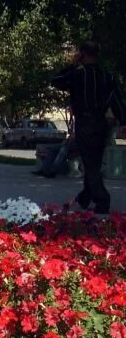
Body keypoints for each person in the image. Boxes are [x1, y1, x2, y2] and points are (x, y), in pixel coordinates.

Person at [51, 41, 125, 214]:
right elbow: (116, 101)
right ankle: (85, 197)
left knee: (90, 164)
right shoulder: (107, 76)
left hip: (85, 123)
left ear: (82, 54)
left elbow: (56, 81)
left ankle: (102, 199)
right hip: (101, 123)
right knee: (94, 162)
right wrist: (123, 121)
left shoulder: (78, 74)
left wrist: (72, 64)